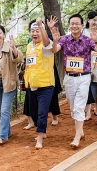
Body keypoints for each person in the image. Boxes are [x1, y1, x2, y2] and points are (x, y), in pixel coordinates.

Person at [51, 14, 97, 148]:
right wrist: (55, 40)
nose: (74, 26)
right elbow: (54, 50)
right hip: (69, 78)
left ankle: (76, 137)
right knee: (73, 108)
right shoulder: (65, 39)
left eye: (77, 23)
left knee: (79, 107)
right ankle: (80, 131)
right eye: (72, 23)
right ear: (69, 25)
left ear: (81, 25)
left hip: (84, 77)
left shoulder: (88, 39)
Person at [23, 18, 56, 149]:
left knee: (42, 112)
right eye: (33, 31)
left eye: (37, 30)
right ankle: (41, 130)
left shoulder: (46, 45)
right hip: (32, 85)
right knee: (33, 111)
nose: (35, 33)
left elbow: (48, 43)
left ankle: (40, 137)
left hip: (46, 85)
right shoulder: (29, 46)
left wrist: (42, 26)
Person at [82, 11, 97, 121]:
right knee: (87, 88)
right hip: (86, 63)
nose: (96, 23)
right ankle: (87, 112)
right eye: (94, 20)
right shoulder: (83, 32)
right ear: (88, 20)